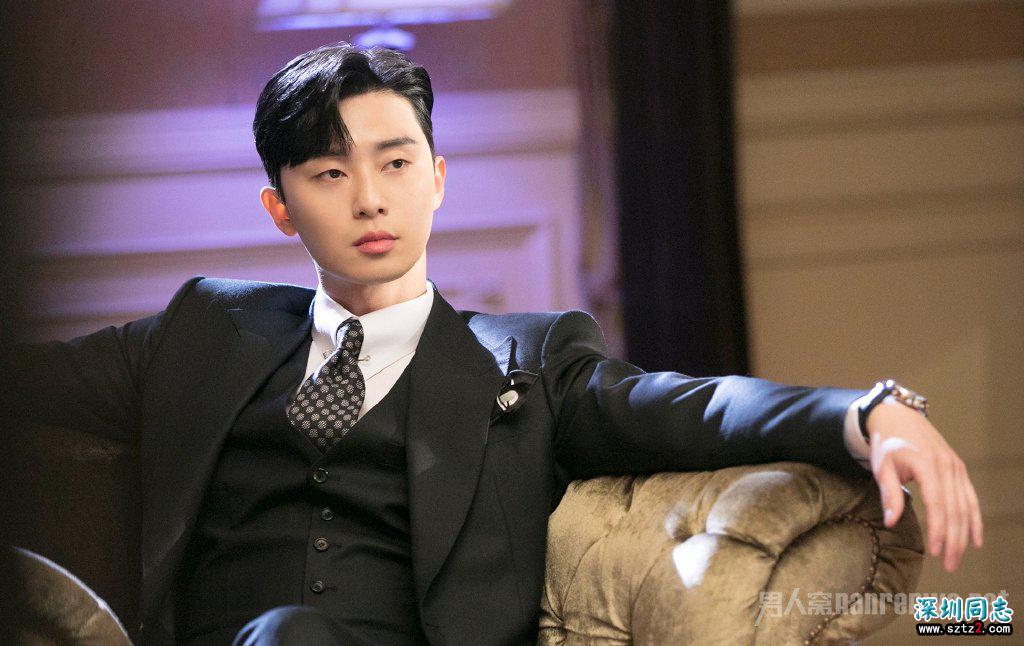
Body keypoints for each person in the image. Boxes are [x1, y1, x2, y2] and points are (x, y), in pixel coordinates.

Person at [4, 41, 982, 645]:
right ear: (280, 207)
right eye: (330, 174)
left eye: (395, 164)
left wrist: (870, 414)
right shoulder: (204, 329)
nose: (370, 198)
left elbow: (695, 405)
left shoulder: (526, 358)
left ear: (437, 178)